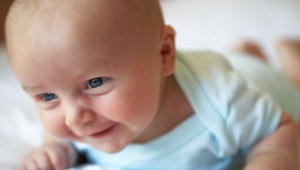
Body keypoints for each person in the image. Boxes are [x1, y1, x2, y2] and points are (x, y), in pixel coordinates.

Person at [4, 0, 300, 169]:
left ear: (164, 53)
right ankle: (242, 50)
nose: (72, 117)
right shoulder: (78, 119)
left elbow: (280, 131)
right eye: (46, 96)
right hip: (217, 66)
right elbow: (60, 131)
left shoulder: (221, 98)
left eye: (95, 82)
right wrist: (55, 149)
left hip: (255, 79)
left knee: (289, 85)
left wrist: (270, 160)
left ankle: (284, 60)